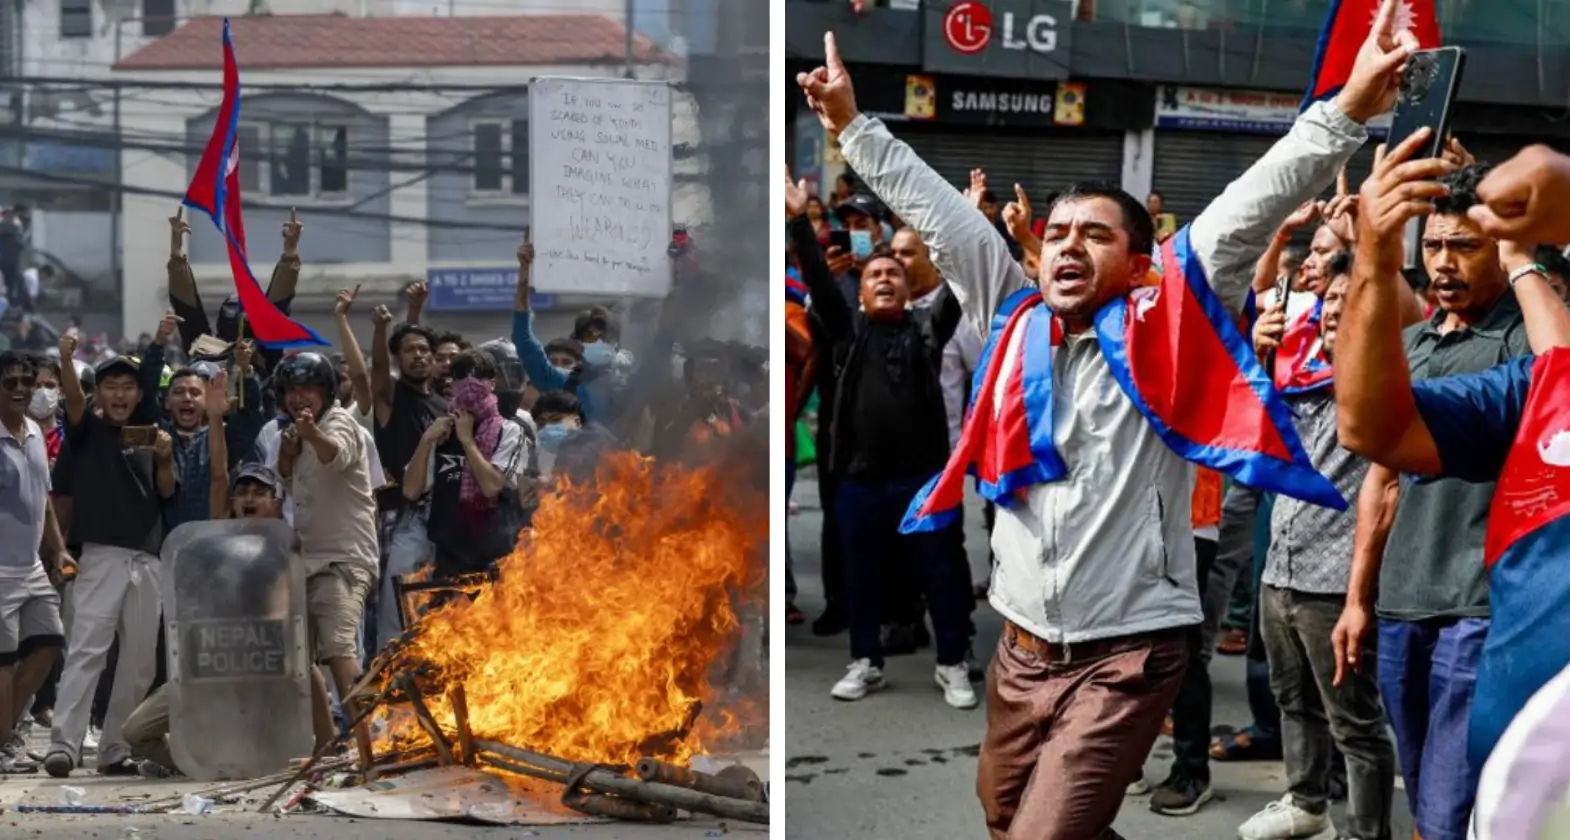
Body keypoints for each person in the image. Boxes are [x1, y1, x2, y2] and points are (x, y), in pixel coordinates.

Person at [796, 0, 1411, 831]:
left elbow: (1254, 198)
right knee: (1003, 815)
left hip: (1128, 651)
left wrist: (1349, 110)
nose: (1068, 247)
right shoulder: (1011, 317)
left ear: (1138, 262)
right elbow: (943, 217)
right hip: (1018, 649)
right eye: (1056, 234)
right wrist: (850, 124)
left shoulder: (1174, 324)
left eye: (1095, 235)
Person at [1335, 141, 1570, 834]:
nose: (1442, 260)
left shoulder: (1527, 343)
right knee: (1436, 802)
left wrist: (1525, 254)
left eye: (1462, 245)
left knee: (1443, 809)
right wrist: (1373, 253)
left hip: (1475, 610)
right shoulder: (1518, 385)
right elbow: (1374, 437)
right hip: (1408, 605)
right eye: (1430, 244)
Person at [787, 175, 976, 710]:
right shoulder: (847, 332)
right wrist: (800, 220)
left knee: (937, 573)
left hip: (924, 481)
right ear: (862, 291)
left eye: (895, 271)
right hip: (859, 479)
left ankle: (952, 663)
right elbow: (821, 283)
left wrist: (957, 222)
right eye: (875, 274)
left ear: (910, 285)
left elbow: (958, 281)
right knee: (861, 576)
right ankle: (865, 661)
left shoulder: (927, 329)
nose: (886, 277)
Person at [1237, 254, 1398, 840]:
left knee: (1354, 724)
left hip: (1336, 584)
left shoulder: (1382, 375)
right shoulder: (1297, 370)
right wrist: (1258, 350)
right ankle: (1306, 805)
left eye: (1348, 298)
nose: (1333, 309)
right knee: (1292, 702)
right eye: (1328, 299)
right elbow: (1251, 426)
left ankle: (1365, 832)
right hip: (1281, 567)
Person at [44, 333, 175, 777]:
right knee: (87, 652)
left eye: (129, 387)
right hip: (101, 556)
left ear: (140, 394)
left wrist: (164, 457)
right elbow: (74, 405)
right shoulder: (87, 432)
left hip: (148, 558)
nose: (120, 394)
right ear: (99, 392)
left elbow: (165, 491)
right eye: (111, 386)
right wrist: (65, 358)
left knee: (139, 662)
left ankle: (115, 749)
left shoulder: (153, 434)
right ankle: (63, 744)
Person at [273, 352, 378, 750]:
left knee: (338, 648)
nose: (300, 398)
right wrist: (290, 448)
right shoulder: (294, 434)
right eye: (292, 391)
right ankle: (327, 744)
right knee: (300, 656)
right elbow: (284, 482)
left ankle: (368, 745)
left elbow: (336, 456)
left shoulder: (340, 424)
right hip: (304, 559)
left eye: (309, 389)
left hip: (342, 559)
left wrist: (311, 434)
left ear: (327, 392)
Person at [0, 351, 71, 773]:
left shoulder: (31, 431)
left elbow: (43, 500)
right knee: (4, 661)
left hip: (31, 568)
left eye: (27, 380)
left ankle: (3, 736)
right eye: (11, 382)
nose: (23, 389)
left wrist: (58, 549)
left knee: (48, 645)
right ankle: (5, 744)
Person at [401, 349, 529, 581]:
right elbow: (411, 490)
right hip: (448, 557)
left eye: (478, 376)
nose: (470, 383)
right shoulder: (441, 431)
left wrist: (468, 441)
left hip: (496, 557)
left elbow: (491, 487)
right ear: (454, 384)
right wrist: (426, 440)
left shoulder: (509, 431)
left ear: (492, 383)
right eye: (462, 376)